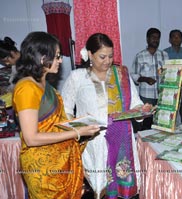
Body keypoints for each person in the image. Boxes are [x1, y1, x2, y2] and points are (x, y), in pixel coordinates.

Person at [12, 31, 100, 198]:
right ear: (42, 58)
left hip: (60, 162)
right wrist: (76, 132)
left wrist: (80, 124)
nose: (60, 60)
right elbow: (31, 138)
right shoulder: (27, 89)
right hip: (42, 170)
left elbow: (56, 122)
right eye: (57, 56)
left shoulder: (45, 86)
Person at [61, 33, 150, 199]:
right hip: (93, 142)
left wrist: (142, 109)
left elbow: (135, 104)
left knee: (123, 187)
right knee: (99, 187)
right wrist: (77, 130)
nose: (107, 61)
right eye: (102, 56)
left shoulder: (121, 75)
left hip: (122, 140)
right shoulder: (77, 77)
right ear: (89, 54)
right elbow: (65, 109)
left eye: (110, 56)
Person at [131, 27, 169, 130]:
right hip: (147, 96)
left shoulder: (164, 55)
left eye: (158, 38)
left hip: (163, 95)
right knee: (147, 124)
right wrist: (145, 79)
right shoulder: (140, 56)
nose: (156, 40)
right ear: (147, 39)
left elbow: (169, 73)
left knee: (161, 123)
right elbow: (134, 75)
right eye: (153, 37)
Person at [164, 29, 182, 123]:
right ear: (170, 40)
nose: (176, 39)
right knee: (170, 115)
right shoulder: (165, 53)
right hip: (170, 89)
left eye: (178, 37)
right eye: (174, 37)